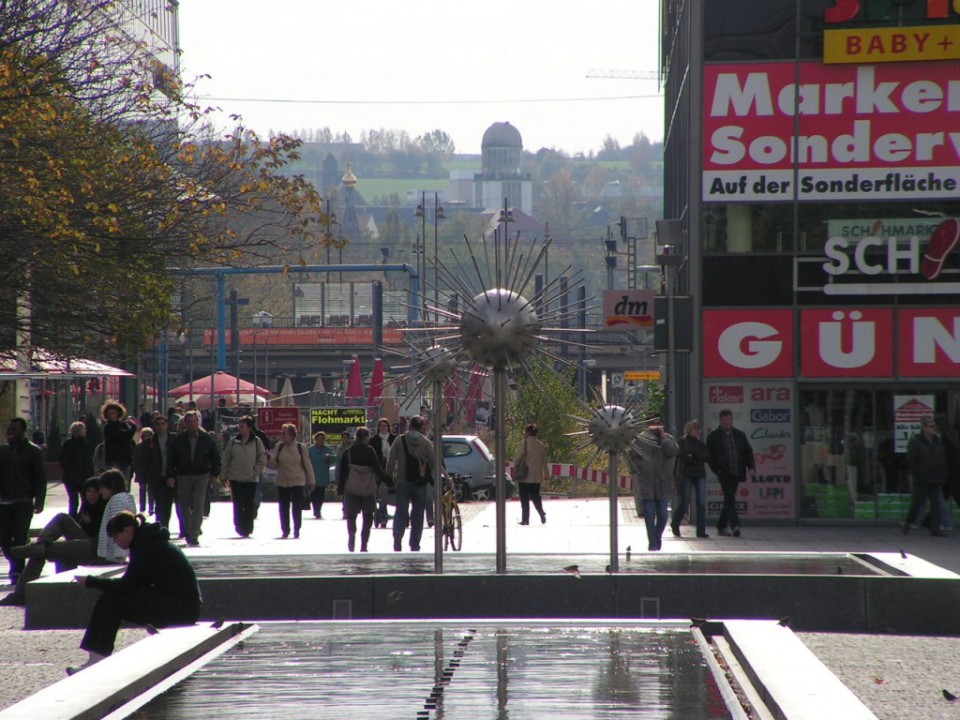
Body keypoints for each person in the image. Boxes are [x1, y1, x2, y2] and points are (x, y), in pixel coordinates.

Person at [69, 511, 202, 674]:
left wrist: (91, 581)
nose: (115, 542)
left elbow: (127, 585)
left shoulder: (145, 546)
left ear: (127, 531)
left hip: (180, 609)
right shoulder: (147, 540)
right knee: (113, 598)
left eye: (115, 537)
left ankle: (96, 660)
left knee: (111, 601)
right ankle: (96, 657)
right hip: (181, 605)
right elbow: (137, 583)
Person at [0, 478, 106, 606]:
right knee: (46, 547)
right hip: (83, 542)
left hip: (93, 545)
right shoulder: (86, 507)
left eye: (95, 492)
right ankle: (41, 544)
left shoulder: (105, 506)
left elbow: (103, 534)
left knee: (47, 549)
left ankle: (20, 594)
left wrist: (91, 523)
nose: (92, 495)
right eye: (89, 491)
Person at [0, 418, 46, 585]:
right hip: (3, 502)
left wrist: (39, 500)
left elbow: (40, 478)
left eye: (15, 429)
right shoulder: (2, 451)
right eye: (9, 429)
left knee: (20, 537)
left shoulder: (33, 452)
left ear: (23, 431)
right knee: (4, 538)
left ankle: (18, 570)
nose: (10, 432)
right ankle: (15, 563)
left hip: (23, 501)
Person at [167, 410, 221, 547]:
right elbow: (171, 459)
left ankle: (193, 534)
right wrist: (171, 476)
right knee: (183, 505)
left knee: (198, 505)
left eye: (194, 421)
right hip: (183, 475)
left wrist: (215, 474)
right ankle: (189, 529)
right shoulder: (179, 440)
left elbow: (216, 457)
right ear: (185, 423)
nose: (192, 424)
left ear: (198, 422)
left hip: (201, 475)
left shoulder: (206, 438)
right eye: (189, 422)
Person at [386, 415, 436, 552]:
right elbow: (434, 463)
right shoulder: (426, 443)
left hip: (403, 481)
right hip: (420, 483)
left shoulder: (399, 440)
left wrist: (389, 479)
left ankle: (397, 537)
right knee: (418, 514)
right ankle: (414, 544)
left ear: (409, 426)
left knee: (401, 512)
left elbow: (391, 461)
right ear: (421, 428)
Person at [629, 417, 679, 551]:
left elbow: (674, 452)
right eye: (653, 424)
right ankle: (652, 543)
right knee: (649, 515)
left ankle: (657, 537)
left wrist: (663, 438)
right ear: (648, 425)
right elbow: (631, 457)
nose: (656, 427)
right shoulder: (640, 439)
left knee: (663, 515)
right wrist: (641, 466)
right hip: (647, 483)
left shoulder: (668, 438)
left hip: (663, 483)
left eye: (658, 424)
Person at [337, 427, 389, 552]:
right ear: (367, 437)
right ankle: (364, 543)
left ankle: (352, 533)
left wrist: (340, 489)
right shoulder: (370, 451)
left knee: (351, 516)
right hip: (368, 488)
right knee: (368, 515)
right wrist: (388, 481)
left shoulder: (348, 452)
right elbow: (377, 469)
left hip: (352, 488)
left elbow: (342, 472)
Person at [706, 409, 755, 538]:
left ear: (732, 420)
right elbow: (709, 456)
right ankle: (735, 525)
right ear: (720, 421)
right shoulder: (714, 436)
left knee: (729, 499)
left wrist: (751, 467)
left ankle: (721, 525)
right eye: (724, 420)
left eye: (728, 420)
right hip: (723, 472)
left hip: (737, 471)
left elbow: (748, 451)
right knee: (730, 498)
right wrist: (717, 470)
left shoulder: (739, 435)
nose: (726, 423)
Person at [902, 415, 949, 537]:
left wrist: (942, 473)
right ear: (924, 427)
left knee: (936, 505)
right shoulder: (916, 442)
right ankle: (909, 522)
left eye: (934, 426)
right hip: (921, 478)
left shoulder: (937, 441)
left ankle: (935, 529)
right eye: (930, 426)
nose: (933, 428)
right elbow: (911, 459)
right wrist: (916, 472)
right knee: (917, 503)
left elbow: (942, 458)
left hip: (935, 478)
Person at [267, 423, 316, 539]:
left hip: (297, 481)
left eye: (284, 433)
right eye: (282, 433)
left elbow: (307, 465)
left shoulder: (300, 447)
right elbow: (274, 465)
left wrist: (311, 481)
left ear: (292, 435)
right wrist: (268, 458)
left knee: (296, 507)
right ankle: (285, 530)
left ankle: (296, 529)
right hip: (282, 481)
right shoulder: (279, 447)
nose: (282, 435)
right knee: (283, 507)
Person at [221, 416, 267, 538]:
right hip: (235, 478)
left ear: (249, 428)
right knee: (237, 503)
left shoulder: (257, 442)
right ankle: (238, 525)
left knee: (248, 504)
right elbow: (226, 459)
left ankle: (247, 528)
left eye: (242, 426)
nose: (240, 429)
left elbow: (262, 459)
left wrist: (255, 471)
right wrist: (224, 475)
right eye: (239, 426)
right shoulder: (233, 441)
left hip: (250, 479)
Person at [671, 420, 711, 539]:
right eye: (695, 428)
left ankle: (701, 530)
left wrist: (695, 457)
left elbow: (707, 456)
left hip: (700, 474)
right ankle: (675, 523)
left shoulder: (701, 443)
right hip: (686, 474)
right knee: (685, 501)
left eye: (698, 429)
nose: (697, 431)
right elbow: (682, 455)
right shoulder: (682, 442)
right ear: (689, 430)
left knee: (701, 502)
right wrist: (696, 458)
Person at [97, 469, 138, 562]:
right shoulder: (124, 498)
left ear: (112, 485)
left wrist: (120, 556)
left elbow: (119, 528)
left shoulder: (117, 500)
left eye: (103, 487)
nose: (100, 491)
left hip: (114, 558)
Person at [514, 423, 548, 525]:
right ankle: (541, 512)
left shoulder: (524, 443)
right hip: (536, 476)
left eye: (525, 431)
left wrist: (516, 465)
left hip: (525, 476)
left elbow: (517, 458)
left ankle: (525, 520)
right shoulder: (540, 445)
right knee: (535, 496)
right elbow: (544, 461)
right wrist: (546, 474)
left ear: (528, 432)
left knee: (524, 499)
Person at [59, 421, 95, 517]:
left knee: (80, 499)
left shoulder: (83, 443)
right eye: (83, 430)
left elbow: (88, 460)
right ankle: (75, 517)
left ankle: (78, 516)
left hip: (80, 477)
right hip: (75, 477)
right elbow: (64, 461)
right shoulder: (71, 444)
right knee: (77, 500)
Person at [369, 418, 396, 528]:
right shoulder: (374, 440)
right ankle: (383, 516)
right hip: (379, 470)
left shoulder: (394, 439)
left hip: (394, 470)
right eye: (381, 426)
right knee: (381, 494)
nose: (383, 428)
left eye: (385, 425)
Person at [100, 401, 136, 480]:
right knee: (115, 482)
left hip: (125, 458)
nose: (112, 415)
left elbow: (129, 439)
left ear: (118, 413)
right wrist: (134, 427)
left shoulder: (122, 424)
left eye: (113, 413)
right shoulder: (108, 426)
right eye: (109, 414)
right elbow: (125, 436)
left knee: (125, 483)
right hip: (114, 459)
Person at [307, 431, 336, 519]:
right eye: (319, 439)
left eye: (322, 439)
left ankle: (318, 510)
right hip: (313, 476)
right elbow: (306, 461)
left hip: (323, 477)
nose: (321, 441)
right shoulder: (310, 450)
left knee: (321, 495)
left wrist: (330, 457)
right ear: (315, 440)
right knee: (313, 494)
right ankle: (315, 509)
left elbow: (334, 460)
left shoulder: (328, 450)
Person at [132, 427, 156, 514]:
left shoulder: (153, 447)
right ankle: (142, 507)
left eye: (149, 435)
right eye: (145, 435)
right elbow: (135, 459)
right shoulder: (138, 447)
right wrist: (136, 468)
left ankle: (151, 507)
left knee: (151, 490)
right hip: (141, 470)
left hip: (150, 470)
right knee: (142, 489)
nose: (146, 437)